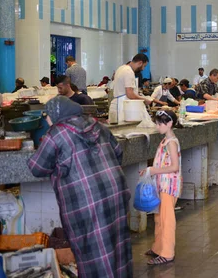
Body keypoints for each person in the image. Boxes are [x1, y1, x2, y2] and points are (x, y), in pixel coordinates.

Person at [27, 96, 132, 277]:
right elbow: (118, 153)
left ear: (55, 114)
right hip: (115, 192)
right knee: (118, 245)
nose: (46, 119)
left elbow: (37, 168)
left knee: (92, 251)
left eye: (47, 115)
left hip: (86, 201)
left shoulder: (57, 133)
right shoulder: (98, 126)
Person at [142, 110, 182, 266]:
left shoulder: (171, 142)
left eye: (160, 124)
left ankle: (167, 253)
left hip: (169, 186)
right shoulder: (165, 140)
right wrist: (150, 170)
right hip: (161, 183)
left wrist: (152, 170)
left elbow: (174, 166)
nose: (157, 127)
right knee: (159, 218)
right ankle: (158, 247)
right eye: (157, 124)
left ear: (170, 123)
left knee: (166, 220)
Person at [111, 54, 153, 122]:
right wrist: (144, 100)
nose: (143, 69)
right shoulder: (129, 71)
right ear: (140, 63)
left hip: (118, 104)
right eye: (144, 66)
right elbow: (130, 94)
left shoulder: (121, 68)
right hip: (122, 106)